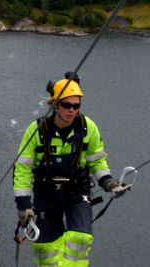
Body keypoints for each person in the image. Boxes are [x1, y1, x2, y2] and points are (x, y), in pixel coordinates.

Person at [13, 72, 126, 267]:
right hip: (46, 193)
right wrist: (24, 205)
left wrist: (108, 182)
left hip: (77, 191)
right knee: (46, 248)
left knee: (81, 237)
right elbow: (22, 169)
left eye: (76, 106)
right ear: (55, 105)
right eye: (66, 105)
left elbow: (97, 161)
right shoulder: (36, 131)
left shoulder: (87, 128)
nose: (71, 110)